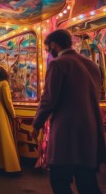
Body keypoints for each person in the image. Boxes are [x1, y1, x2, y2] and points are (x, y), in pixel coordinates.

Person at [31, 29, 106, 193]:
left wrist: (36, 124)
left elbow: (49, 99)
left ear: (53, 45)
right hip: (90, 132)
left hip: (66, 134)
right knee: (88, 183)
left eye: (47, 49)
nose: (48, 53)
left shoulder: (58, 64)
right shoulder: (92, 65)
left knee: (59, 181)